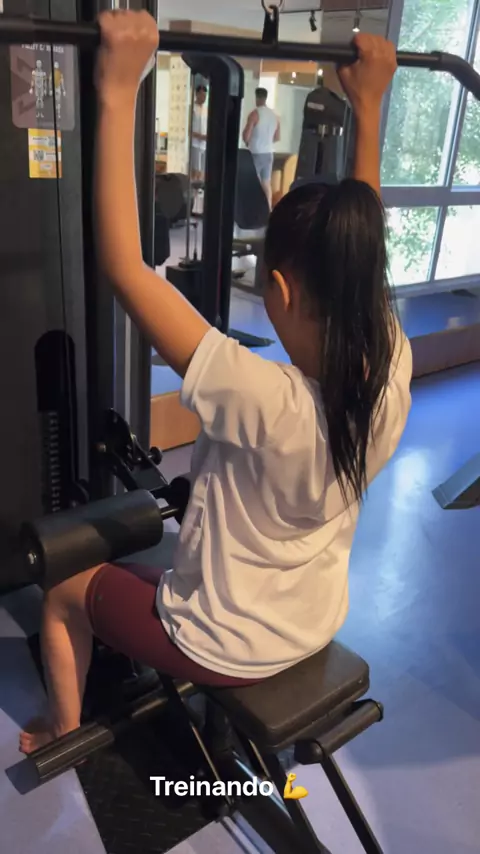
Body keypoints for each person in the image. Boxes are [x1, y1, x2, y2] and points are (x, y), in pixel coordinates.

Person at [20, 13, 412, 754]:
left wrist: (116, 90)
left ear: (282, 293)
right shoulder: (390, 367)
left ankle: (59, 732)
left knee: (65, 590)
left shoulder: (264, 398)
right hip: (312, 620)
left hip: (224, 644)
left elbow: (127, 269)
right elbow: (365, 248)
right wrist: (369, 107)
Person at [243, 87, 281, 208]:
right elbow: (277, 137)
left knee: (251, 182)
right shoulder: (274, 116)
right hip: (269, 154)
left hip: (256, 153)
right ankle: (268, 209)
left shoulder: (254, 114)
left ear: (257, 97)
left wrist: (248, 142)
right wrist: (266, 141)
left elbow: (246, 135)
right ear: (266, 97)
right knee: (266, 183)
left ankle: (251, 209)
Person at [191, 83, 208, 182]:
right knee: (195, 171)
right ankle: (194, 189)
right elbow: (189, 128)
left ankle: (199, 189)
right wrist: (200, 136)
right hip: (195, 143)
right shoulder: (192, 108)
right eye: (201, 95)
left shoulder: (206, 109)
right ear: (196, 94)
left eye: (205, 95)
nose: (203, 97)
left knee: (202, 172)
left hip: (204, 145)